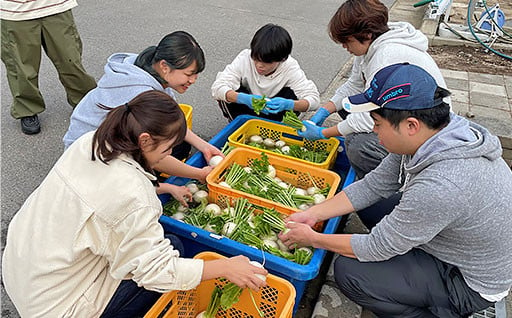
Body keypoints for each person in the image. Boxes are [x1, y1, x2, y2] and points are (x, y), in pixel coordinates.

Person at [2, 90, 267, 318]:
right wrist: (226, 267)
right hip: (55, 308)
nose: (168, 156)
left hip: (22, 272)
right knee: (172, 247)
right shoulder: (134, 195)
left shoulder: (93, 142)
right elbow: (156, 271)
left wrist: (200, 175)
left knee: (144, 244)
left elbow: (153, 160)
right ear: (145, 141)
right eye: (167, 149)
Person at [280, 64, 512, 317]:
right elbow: (374, 184)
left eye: (377, 123)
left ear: (411, 125)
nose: (373, 131)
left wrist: (312, 239)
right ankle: (407, 257)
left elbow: (376, 247)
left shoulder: (443, 185)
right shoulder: (436, 134)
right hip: (452, 239)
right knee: (371, 202)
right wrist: (314, 213)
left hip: (467, 281)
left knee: (351, 273)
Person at [298, 0, 449, 179]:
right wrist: (325, 110)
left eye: (347, 41)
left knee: (357, 145)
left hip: (427, 132)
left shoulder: (385, 58)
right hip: (402, 114)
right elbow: (354, 86)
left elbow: (367, 118)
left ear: (367, 34)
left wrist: (323, 133)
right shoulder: (371, 46)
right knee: (347, 110)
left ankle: (395, 181)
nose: (344, 46)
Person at [63, 31, 222, 185]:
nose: (193, 80)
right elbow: (151, 152)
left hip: (101, 141)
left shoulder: (148, 68)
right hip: (87, 158)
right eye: (189, 74)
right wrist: (199, 174)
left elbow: (170, 125)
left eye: (196, 74)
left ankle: (155, 182)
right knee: (170, 148)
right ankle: (150, 184)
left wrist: (204, 146)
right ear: (165, 66)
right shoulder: (141, 94)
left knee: (178, 141)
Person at [1, 0, 97, 135]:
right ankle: (27, 108)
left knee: (70, 61)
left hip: (56, 7)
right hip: (15, 12)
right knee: (21, 68)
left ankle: (86, 100)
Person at [211, 23, 320, 122]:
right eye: (256, 59)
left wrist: (289, 104)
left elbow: (314, 100)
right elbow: (217, 87)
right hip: (245, 108)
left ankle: (277, 126)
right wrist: (243, 98)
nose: (259, 65)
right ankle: (237, 123)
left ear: (282, 59)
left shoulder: (289, 67)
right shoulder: (245, 58)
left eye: (267, 62)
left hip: (274, 112)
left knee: (293, 94)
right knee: (225, 93)